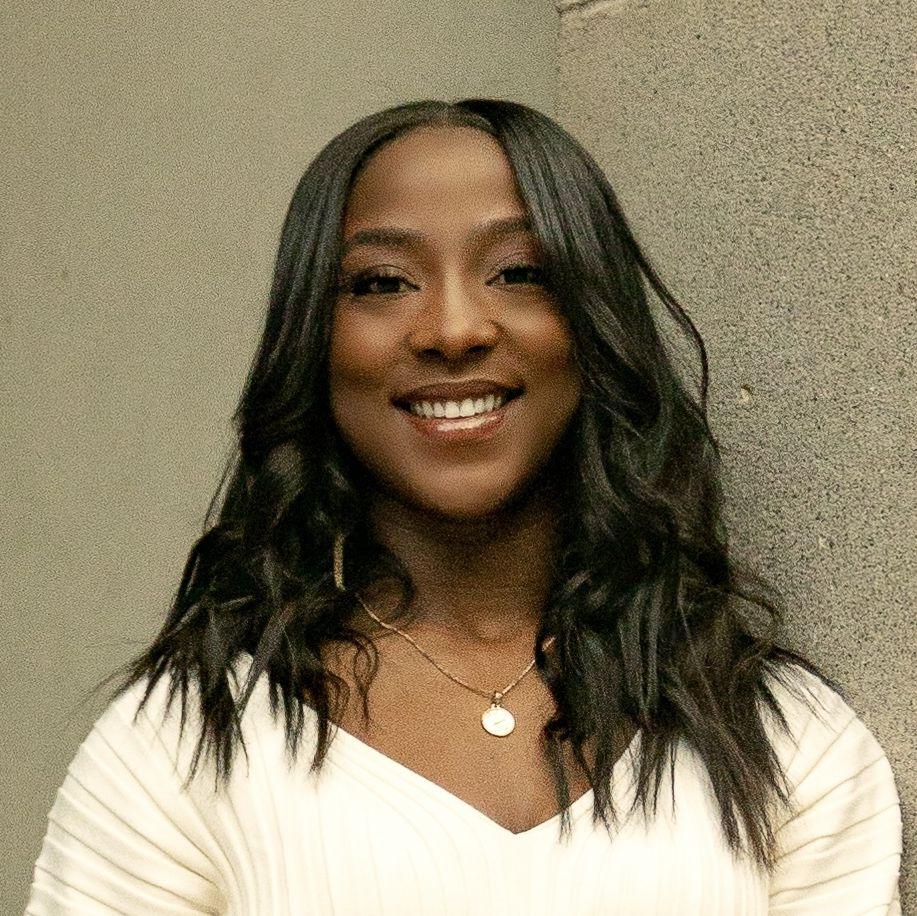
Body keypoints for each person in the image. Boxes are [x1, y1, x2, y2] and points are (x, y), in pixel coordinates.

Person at [26, 99, 902, 914]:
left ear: (595, 326)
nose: (453, 330)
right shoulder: (179, 748)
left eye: (519, 272)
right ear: (312, 342)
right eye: (382, 282)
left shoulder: (787, 746)